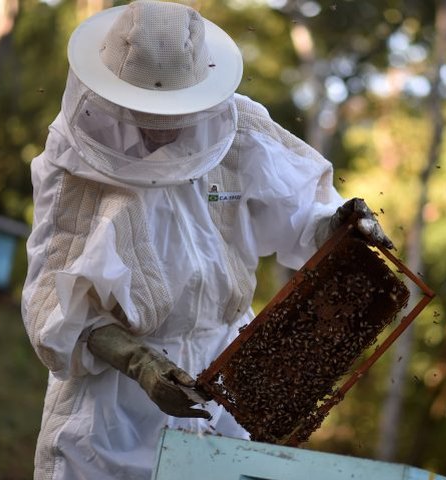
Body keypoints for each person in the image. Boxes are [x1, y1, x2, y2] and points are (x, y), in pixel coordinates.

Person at [21, 1, 392, 479]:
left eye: (172, 111)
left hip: (230, 380)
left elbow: (303, 212)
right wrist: (138, 362)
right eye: (144, 111)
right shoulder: (70, 162)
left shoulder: (239, 130)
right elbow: (51, 304)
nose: (160, 129)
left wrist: (340, 223)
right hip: (113, 412)